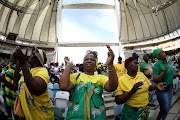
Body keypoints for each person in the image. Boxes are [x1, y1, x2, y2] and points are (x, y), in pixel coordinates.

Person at [59, 45, 118, 120]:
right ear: (83, 63)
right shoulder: (76, 76)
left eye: (92, 60)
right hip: (75, 117)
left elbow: (112, 87)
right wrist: (68, 66)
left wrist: (110, 65)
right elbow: (63, 86)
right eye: (86, 59)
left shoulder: (100, 78)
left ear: (96, 63)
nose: (89, 61)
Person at [14, 46, 54, 120]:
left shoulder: (42, 71)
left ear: (37, 59)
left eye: (32, 54)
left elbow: (36, 89)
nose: (29, 56)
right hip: (27, 114)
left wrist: (23, 63)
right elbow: (15, 80)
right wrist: (19, 61)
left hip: (41, 116)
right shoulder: (28, 70)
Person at [152, 48, 180, 120]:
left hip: (170, 89)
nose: (164, 53)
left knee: (165, 109)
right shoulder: (157, 65)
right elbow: (155, 79)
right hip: (162, 90)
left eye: (164, 52)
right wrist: (164, 73)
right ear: (159, 56)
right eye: (162, 52)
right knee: (165, 109)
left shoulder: (167, 63)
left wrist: (177, 74)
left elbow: (171, 75)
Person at [0, 53, 20, 120]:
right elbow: (3, 75)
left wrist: (4, 80)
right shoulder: (8, 66)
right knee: (8, 114)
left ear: (14, 58)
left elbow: (16, 84)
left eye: (11, 56)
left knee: (16, 115)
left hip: (13, 97)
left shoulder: (17, 69)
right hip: (6, 94)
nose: (10, 56)